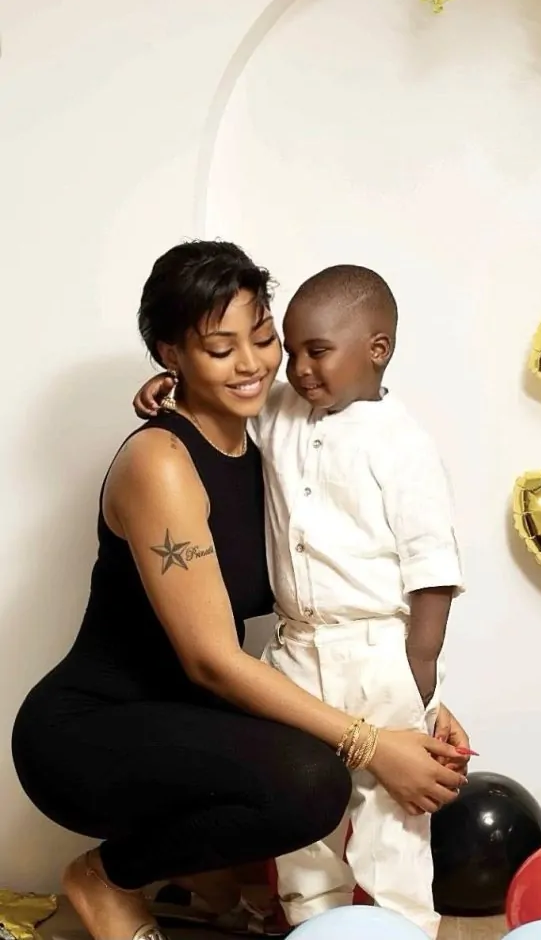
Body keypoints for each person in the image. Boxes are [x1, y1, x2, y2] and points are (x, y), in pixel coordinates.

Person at [12, 242, 470, 940]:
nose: (253, 364)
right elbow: (211, 662)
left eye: (262, 338)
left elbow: (340, 587)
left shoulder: (278, 448)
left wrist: (412, 699)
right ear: (172, 354)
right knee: (314, 782)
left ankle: (207, 878)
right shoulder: (160, 462)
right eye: (220, 349)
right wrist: (374, 743)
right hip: (91, 729)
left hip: (189, 723)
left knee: (313, 781)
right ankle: (108, 876)